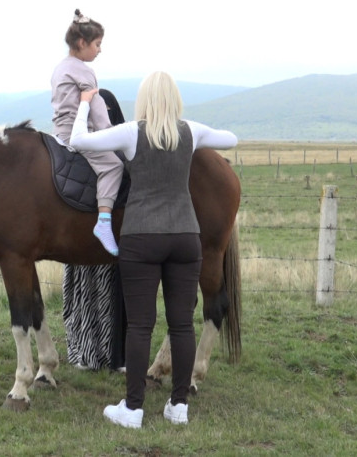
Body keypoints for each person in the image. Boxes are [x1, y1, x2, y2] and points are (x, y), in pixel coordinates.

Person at [69, 72, 238, 429]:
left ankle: (133, 408)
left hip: (141, 236)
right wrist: (196, 134)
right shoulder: (190, 131)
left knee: (140, 326)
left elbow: (78, 140)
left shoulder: (132, 132)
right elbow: (231, 139)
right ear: (175, 100)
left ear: (144, 99)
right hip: (185, 236)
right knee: (182, 324)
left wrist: (84, 106)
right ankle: (178, 406)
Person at [62, 89, 127, 372]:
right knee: (90, 296)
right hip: (90, 240)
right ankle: (93, 352)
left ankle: (101, 353)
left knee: (100, 296)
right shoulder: (86, 154)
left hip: (100, 242)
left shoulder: (114, 154)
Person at [51, 9, 123, 256]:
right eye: (97, 44)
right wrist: (111, 134)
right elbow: (96, 106)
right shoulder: (83, 70)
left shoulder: (60, 67)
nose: (100, 50)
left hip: (59, 132)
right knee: (113, 166)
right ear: (82, 43)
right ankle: (104, 222)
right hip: (78, 133)